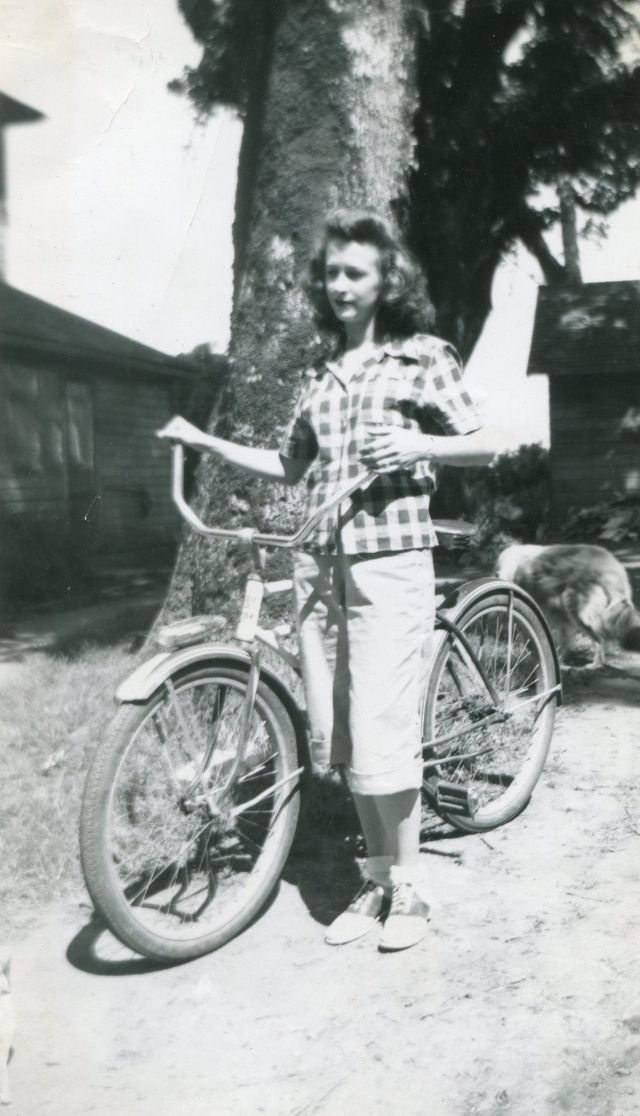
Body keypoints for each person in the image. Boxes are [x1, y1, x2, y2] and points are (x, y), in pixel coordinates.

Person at [158, 208, 497, 952]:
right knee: (341, 733)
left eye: (356, 272)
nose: (341, 285)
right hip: (320, 563)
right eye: (332, 273)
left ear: (386, 280)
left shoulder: (421, 356)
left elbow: (488, 443)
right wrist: (205, 438)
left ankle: (410, 889)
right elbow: (290, 466)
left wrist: (416, 440)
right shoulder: (323, 375)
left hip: (388, 559)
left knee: (381, 725)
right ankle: (376, 877)